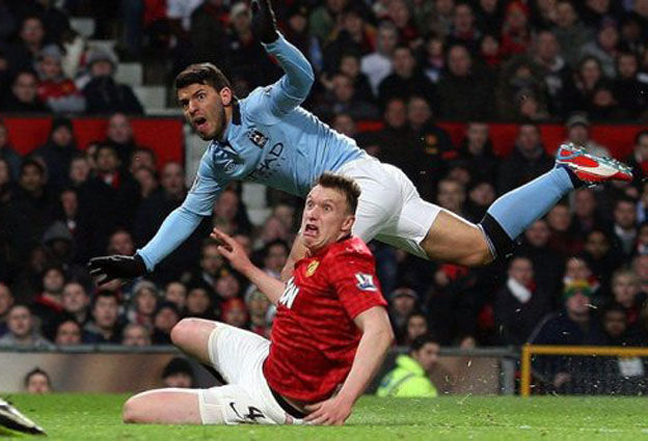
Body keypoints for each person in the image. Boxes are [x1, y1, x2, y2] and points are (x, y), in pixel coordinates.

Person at [89, 0, 632, 309]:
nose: (191, 109)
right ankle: (565, 173)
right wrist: (143, 260)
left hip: (357, 183)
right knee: (481, 248)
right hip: (369, 195)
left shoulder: (260, 106)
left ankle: (290, 391)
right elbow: (190, 212)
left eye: (199, 96)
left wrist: (273, 40)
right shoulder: (217, 161)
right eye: (185, 103)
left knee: (302, 272)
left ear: (225, 95)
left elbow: (302, 79)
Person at [121, 173, 394, 426]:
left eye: (326, 208)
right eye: (311, 204)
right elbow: (292, 300)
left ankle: (238, 402)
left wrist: (344, 401)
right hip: (266, 362)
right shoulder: (318, 253)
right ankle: (234, 391)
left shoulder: (347, 260)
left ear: (346, 223)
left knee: (135, 410)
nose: (312, 213)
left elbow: (380, 331)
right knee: (183, 330)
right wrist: (247, 267)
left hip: (275, 401)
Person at [376, 333, 439, 398]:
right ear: (415, 354)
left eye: (437, 354)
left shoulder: (394, 374)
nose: (434, 359)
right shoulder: (420, 384)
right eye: (429, 352)